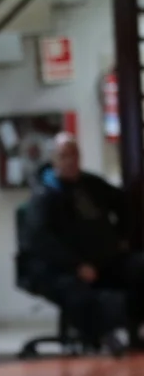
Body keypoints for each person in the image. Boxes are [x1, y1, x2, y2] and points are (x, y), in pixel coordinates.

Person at [20, 132, 144, 353]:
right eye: (63, 155)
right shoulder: (44, 194)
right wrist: (77, 265)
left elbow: (123, 203)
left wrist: (122, 238)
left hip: (103, 259)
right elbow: (41, 240)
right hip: (62, 268)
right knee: (79, 292)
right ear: (54, 160)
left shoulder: (91, 184)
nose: (70, 161)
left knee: (139, 267)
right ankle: (100, 336)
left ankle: (136, 332)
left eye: (74, 154)